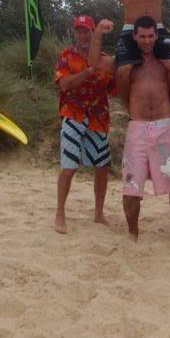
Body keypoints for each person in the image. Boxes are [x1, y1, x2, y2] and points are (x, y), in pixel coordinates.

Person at [117, 15, 170, 243]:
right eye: (142, 36)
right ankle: (133, 233)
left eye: (150, 36)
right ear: (134, 36)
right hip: (137, 126)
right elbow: (120, 88)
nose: (147, 41)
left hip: (164, 125)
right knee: (131, 185)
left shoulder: (166, 63)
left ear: (157, 36)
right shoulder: (128, 65)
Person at [54, 14, 117, 234]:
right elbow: (64, 84)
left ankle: (99, 213)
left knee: (102, 167)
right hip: (73, 113)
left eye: (86, 31)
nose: (82, 35)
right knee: (69, 166)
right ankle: (60, 214)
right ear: (75, 33)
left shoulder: (106, 60)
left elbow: (114, 89)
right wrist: (88, 72)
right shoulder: (66, 56)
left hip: (99, 117)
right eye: (79, 31)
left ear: (93, 33)